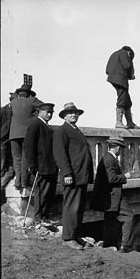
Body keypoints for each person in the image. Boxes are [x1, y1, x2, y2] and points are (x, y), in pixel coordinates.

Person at [53, 102, 94, 250]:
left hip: (81, 175)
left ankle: (76, 235)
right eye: (70, 113)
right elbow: (60, 154)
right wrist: (67, 173)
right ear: (64, 116)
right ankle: (68, 237)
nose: (73, 115)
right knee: (71, 207)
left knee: (79, 207)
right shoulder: (62, 131)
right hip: (72, 175)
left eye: (75, 113)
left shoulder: (77, 130)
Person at [92, 137, 135, 253]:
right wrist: (125, 176)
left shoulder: (107, 158)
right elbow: (111, 178)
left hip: (109, 196)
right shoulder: (110, 159)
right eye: (120, 148)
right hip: (113, 195)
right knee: (129, 217)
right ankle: (126, 246)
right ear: (117, 147)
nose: (120, 150)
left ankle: (109, 244)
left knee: (110, 219)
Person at [23, 102, 58, 225]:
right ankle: (39, 217)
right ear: (40, 112)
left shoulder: (46, 126)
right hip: (41, 165)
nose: (49, 115)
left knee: (48, 192)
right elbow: (29, 146)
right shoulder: (35, 125)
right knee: (41, 192)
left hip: (49, 165)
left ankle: (45, 215)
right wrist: (32, 165)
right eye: (47, 112)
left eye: (51, 113)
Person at [9, 84, 43, 190]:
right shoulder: (32, 100)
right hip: (26, 134)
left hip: (13, 134)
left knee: (16, 159)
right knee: (25, 159)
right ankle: (24, 182)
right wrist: (34, 116)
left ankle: (17, 182)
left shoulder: (13, 102)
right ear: (29, 94)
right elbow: (43, 107)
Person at [106, 46, 140, 130]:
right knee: (122, 99)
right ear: (129, 52)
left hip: (113, 78)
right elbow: (127, 65)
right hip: (120, 79)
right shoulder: (124, 53)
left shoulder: (114, 54)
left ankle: (130, 123)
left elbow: (107, 70)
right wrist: (131, 74)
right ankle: (119, 122)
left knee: (127, 100)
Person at [0, 92, 16, 194]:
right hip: (3, 142)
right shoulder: (2, 110)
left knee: (11, 168)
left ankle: (2, 185)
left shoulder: (17, 111)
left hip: (11, 142)